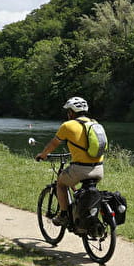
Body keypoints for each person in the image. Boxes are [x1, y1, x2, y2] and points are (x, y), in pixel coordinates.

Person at [35, 96, 108, 225]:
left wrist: (43, 154)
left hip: (80, 169)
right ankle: (83, 213)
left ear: (71, 112)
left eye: (68, 111)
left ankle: (63, 214)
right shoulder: (95, 124)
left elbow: (53, 144)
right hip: (99, 169)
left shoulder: (67, 126)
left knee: (61, 183)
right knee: (85, 192)